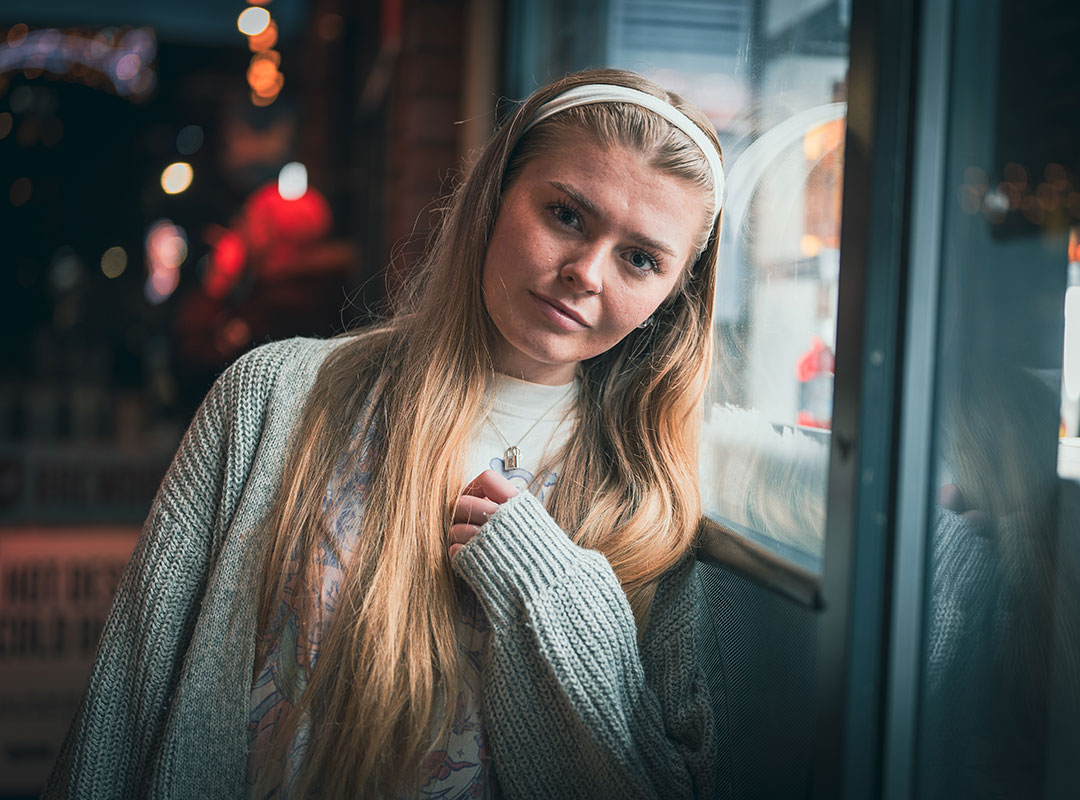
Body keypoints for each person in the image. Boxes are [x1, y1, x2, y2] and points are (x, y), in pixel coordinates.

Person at [44, 67, 725, 799]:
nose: (586, 273)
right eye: (565, 215)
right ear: (495, 196)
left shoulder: (656, 501)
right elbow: (127, 699)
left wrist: (556, 602)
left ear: (673, 295)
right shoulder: (275, 396)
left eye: (640, 259)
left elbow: (665, 784)